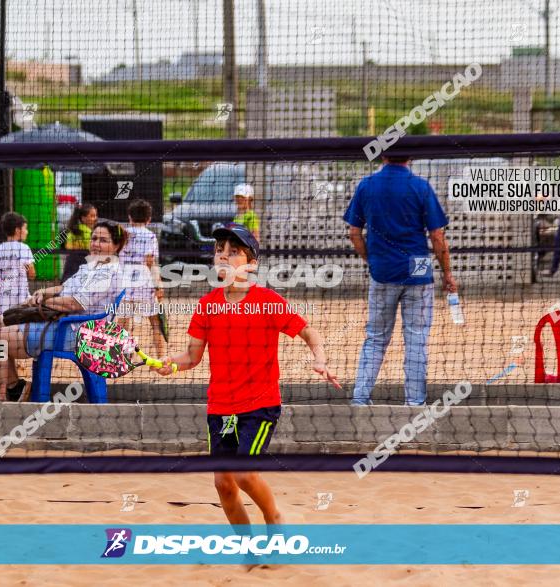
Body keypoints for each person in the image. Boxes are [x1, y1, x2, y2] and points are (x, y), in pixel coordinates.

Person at [152, 223, 339, 529]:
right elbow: (191, 357)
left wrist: (319, 359)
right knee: (223, 484)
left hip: (260, 405)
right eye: (219, 251)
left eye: (233, 252)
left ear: (251, 264)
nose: (223, 257)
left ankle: (273, 517)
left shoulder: (267, 300)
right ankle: (248, 547)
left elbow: (309, 332)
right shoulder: (206, 306)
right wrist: (170, 364)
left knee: (242, 473)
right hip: (221, 407)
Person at [344, 155, 456, 406]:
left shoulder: (367, 185)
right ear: (411, 156)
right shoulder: (420, 186)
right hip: (418, 269)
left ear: (383, 154)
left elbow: (354, 233)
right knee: (416, 339)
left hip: (383, 270)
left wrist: (371, 260)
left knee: (375, 337)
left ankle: (360, 399)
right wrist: (447, 273)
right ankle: (415, 404)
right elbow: (437, 237)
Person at [0, 220, 127, 401]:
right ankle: (16, 388)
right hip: (62, 323)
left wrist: (42, 305)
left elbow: (75, 304)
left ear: (116, 246)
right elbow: (64, 288)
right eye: (94, 238)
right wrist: (43, 292)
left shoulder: (108, 273)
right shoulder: (91, 267)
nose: (96, 244)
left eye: (103, 240)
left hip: (78, 333)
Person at [119, 199, 165, 357]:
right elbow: (150, 262)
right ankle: (160, 357)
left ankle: (125, 357)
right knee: (155, 323)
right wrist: (159, 286)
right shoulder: (150, 236)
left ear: (129, 217)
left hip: (124, 285)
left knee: (124, 323)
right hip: (144, 286)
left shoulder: (122, 234)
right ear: (149, 219)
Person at [0, 212, 36, 316]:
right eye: (25, 228)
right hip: (21, 297)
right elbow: (32, 274)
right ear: (17, 230)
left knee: (4, 323)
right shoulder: (25, 248)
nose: (27, 232)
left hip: (3, 298)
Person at [63, 204, 98, 281]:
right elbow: (68, 246)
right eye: (92, 216)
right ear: (83, 218)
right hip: (79, 264)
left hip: (73, 264)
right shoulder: (86, 232)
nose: (95, 218)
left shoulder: (74, 229)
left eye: (95, 215)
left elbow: (68, 246)